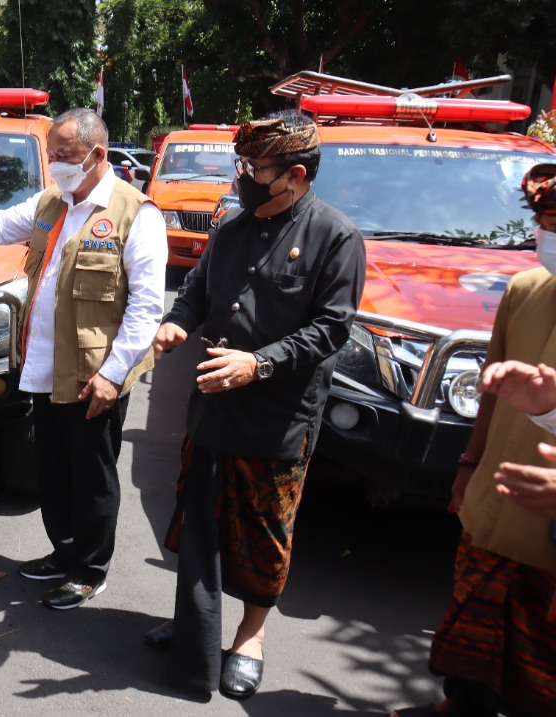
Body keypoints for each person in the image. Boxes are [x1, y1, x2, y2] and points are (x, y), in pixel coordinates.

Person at [0, 108, 167, 609]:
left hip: (95, 375)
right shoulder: (53, 203)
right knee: (53, 469)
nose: (57, 166)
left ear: (98, 155)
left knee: (91, 477)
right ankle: (63, 553)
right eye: (52, 157)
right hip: (44, 368)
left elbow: (147, 308)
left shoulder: (137, 214)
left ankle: (89, 570)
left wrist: (113, 376)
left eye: (65, 157)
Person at [148, 110, 365, 699]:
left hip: (277, 417)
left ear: (294, 176)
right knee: (200, 518)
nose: (242, 176)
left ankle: (249, 635)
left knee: (263, 532)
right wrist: (176, 323)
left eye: (254, 168)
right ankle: (198, 621)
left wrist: (258, 362)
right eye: (241, 164)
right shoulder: (232, 228)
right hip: (212, 404)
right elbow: (196, 291)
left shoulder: (336, 237)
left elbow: (330, 330)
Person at [389, 165, 556, 717]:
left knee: (537, 674)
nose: (547, 237)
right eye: (544, 223)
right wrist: (468, 464)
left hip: (547, 532)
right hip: (493, 502)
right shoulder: (528, 288)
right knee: (468, 654)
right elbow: (490, 392)